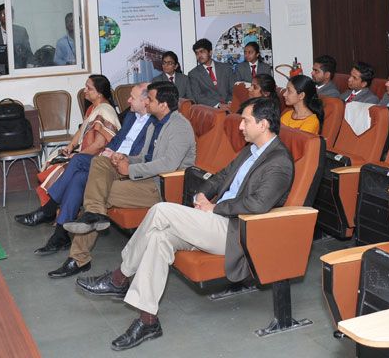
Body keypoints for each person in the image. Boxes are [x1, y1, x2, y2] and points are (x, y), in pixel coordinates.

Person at [74, 96, 293, 351]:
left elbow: (258, 204)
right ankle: (147, 321)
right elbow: (221, 176)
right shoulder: (251, 150)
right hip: (216, 220)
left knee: (161, 211)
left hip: (237, 230)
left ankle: (119, 277)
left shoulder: (279, 161)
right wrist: (201, 194)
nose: (240, 126)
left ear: (264, 124)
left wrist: (215, 207)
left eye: (245, 121)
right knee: (159, 238)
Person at [53, 81, 196, 279]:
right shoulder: (154, 123)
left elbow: (168, 164)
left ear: (163, 105)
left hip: (159, 187)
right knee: (100, 163)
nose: (147, 103)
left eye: (151, 100)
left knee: (97, 192)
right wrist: (124, 158)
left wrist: (131, 169)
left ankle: (78, 258)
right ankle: (94, 214)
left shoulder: (180, 127)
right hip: (143, 177)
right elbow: (145, 156)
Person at [17, 83, 153, 254]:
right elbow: (118, 140)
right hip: (109, 159)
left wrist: (118, 156)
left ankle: (50, 209)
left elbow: (146, 155)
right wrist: (109, 151)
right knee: (78, 178)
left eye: (132, 97)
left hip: (125, 165)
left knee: (79, 160)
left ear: (146, 101)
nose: (128, 100)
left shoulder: (155, 123)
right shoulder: (132, 116)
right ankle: (60, 235)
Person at [34, 75, 120, 221]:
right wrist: (70, 146)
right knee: (51, 161)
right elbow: (82, 130)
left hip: (96, 159)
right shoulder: (92, 108)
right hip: (84, 154)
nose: (85, 91)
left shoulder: (105, 111)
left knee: (58, 170)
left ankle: (50, 208)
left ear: (99, 93)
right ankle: (52, 210)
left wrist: (78, 156)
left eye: (89, 88)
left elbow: (99, 145)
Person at [186, 39, 234, 108]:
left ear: (210, 52)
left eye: (202, 52)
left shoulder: (226, 68)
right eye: (197, 53)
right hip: (210, 111)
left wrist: (230, 102)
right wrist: (219, 105)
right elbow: (198, 97)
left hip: (231, 107)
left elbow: (233, 88)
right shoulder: (193, 74)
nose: (199, 55)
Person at [0, 3, 32, 68]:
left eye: (9, 14)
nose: (6, 16)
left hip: (18, 70)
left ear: (13, 16)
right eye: (3, 14)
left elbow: (29, 53)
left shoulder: (21, 32)